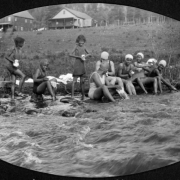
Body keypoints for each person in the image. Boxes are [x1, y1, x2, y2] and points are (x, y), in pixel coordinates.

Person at [69, 35, 91, 100]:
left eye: (82, 43)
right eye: (80, 43)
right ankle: (72, 96)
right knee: (74, 81)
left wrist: (85, 56)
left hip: (82, 65)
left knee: (82, 82)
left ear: (84, 42)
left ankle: (83, 96)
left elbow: (90, 54)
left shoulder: (84, 47)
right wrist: (78, 57)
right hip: (77, 65)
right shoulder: (76, 47)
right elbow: (70, 54)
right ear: (78, 42)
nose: (81, 44)